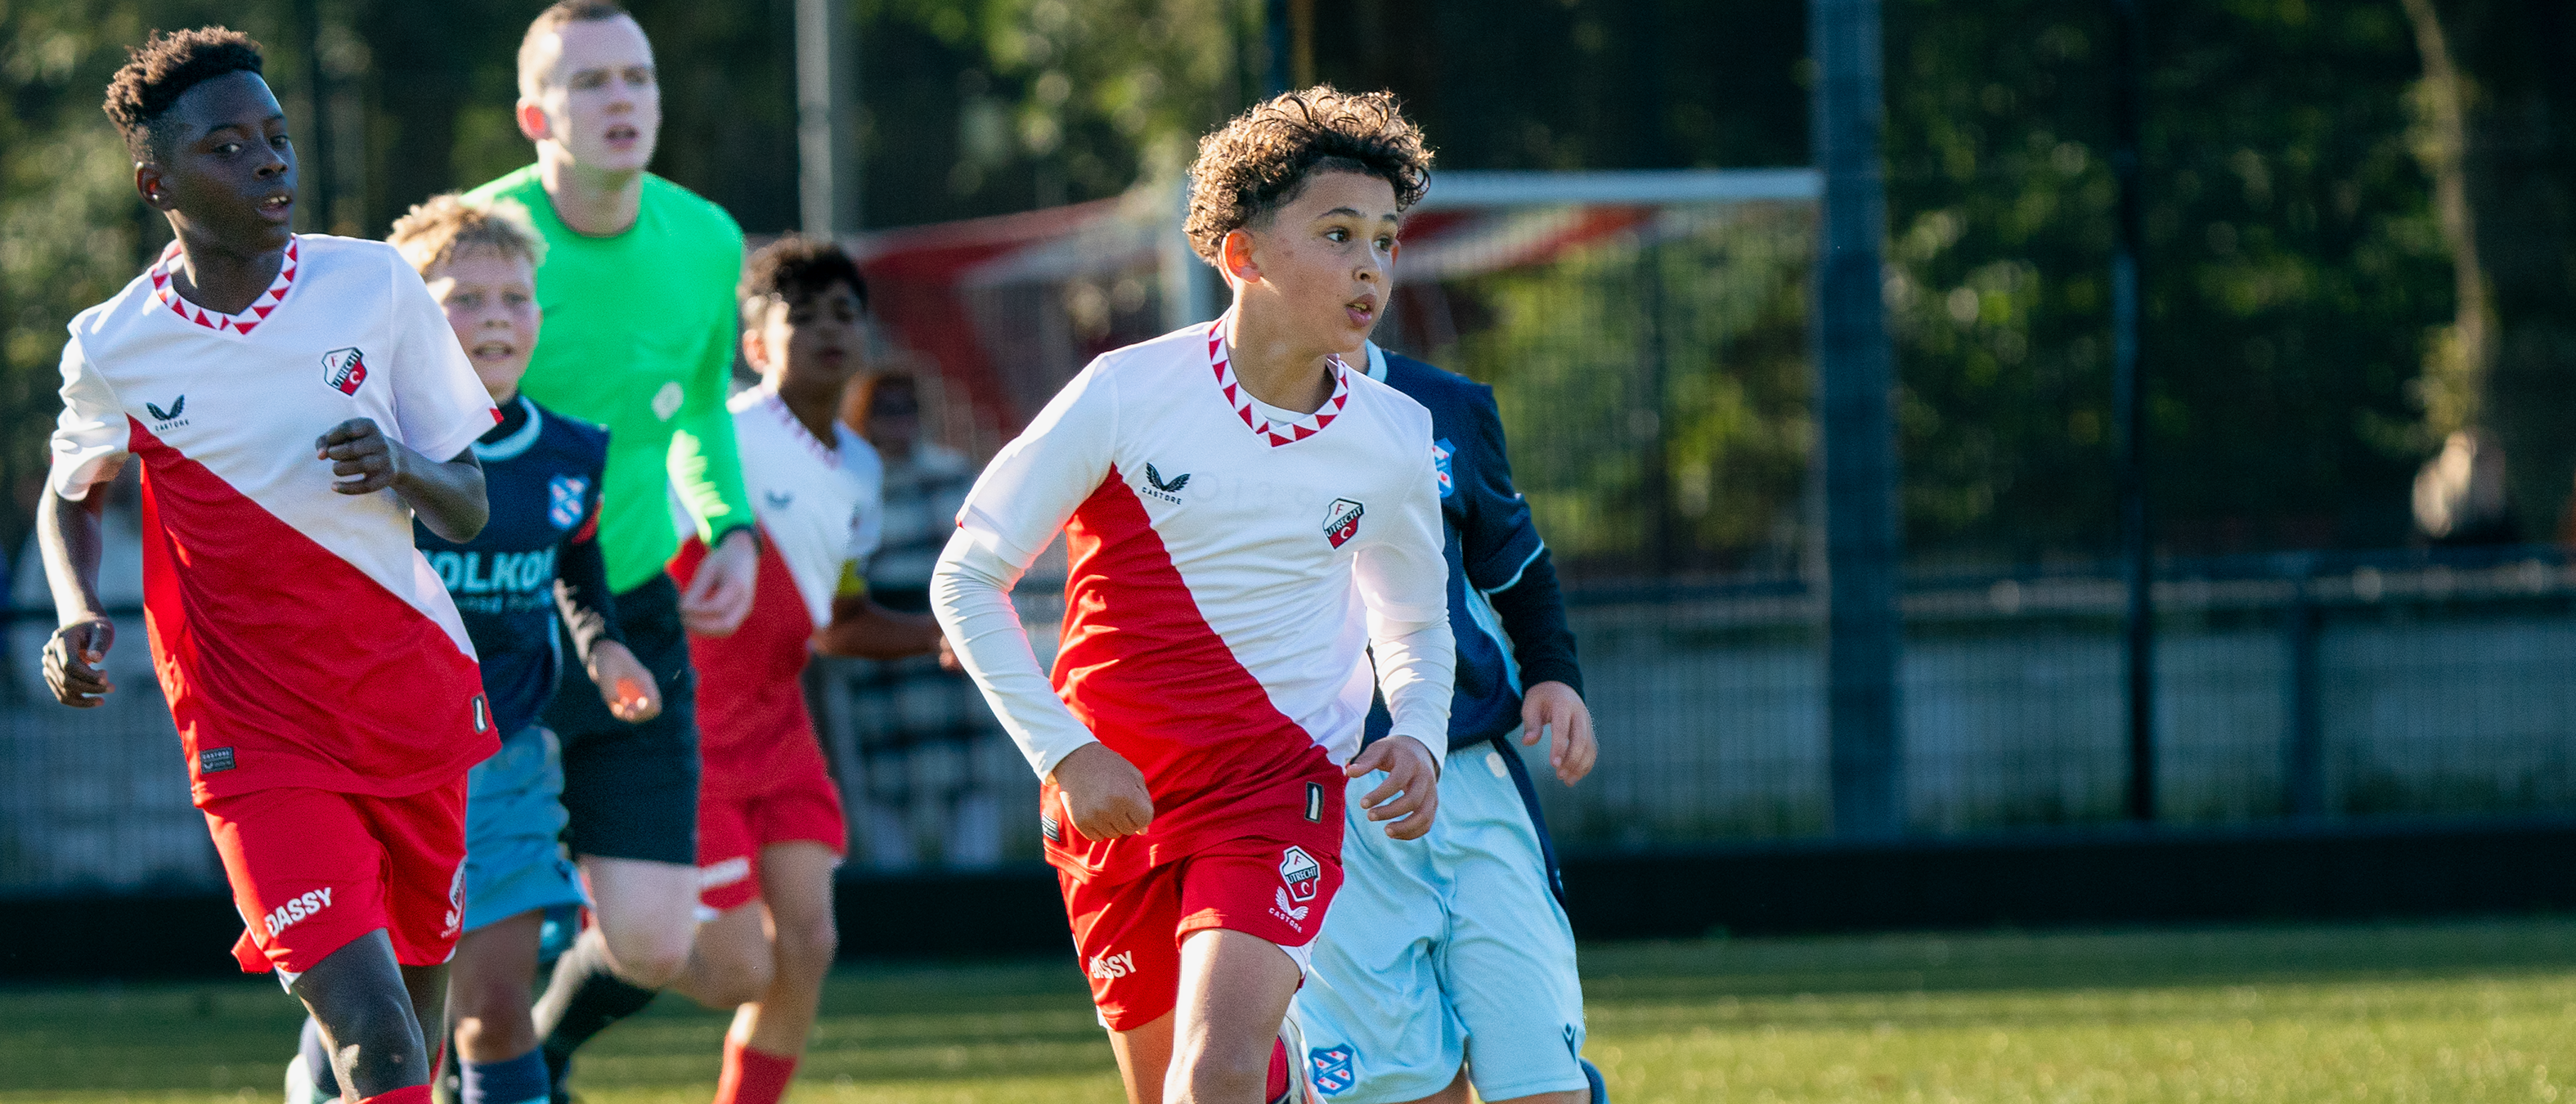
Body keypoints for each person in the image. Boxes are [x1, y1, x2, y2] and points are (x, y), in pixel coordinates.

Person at [931, 86, 1455, 1104]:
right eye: (1339, 234)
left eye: (1386, 241)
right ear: (1242, 254)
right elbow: (967, 576)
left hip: (1277, 789)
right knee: (1187, 1088)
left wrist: (1421, 733)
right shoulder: (1124, 393)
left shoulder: (1394, 437)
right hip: (1112, 799)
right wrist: (1066, 752)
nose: (1371, 266)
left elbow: (1416, 617)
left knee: (1210, 1073)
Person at [43, 28, 497, 1104]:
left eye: (276, 136)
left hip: (410, 705)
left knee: (414, 1040)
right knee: (378, 1042)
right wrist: (74, 607)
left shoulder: (374, 285)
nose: (268, 160)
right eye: (228, 146)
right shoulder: (114, 343)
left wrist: (398, 463)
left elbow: (470, 505)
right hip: (251, 734)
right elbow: (74, 492)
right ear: (157, 184)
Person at [284, 195, 668, 1104]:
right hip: (374, 766)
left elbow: (577, 562)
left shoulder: (573, 451)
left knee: (493, 1011)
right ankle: (319, 1076)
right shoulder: (362, 447)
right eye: (465, 298)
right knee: (386, 1015)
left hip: (508, 763)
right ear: (408, 316)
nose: (497, 317)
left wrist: (605, 646)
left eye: (516, 297)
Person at [460, 3, 762, 1091]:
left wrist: (728, 525)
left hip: (630, 606)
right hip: (482, 613)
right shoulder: (470, 245)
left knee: (653, 943)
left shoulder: (708, 238)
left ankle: (531, 1050)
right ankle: (386, 1052)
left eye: (636, 76)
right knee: (456, 938)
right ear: (535, 115)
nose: (621, 98)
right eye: (590, 82)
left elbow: (702, 407)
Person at [1289, 327, 1608, 1104]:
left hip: (1469, 774)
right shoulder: (1197, 416)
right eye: (1338, 250)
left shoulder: (1448, 406)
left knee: (1542, 1083)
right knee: (1398, 1091)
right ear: (1247, 267)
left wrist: (1554, 674)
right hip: (1319, 798)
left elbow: (1517, 563)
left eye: (1382, 257)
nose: (1365, 270)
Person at [663, 236, 945, 1104]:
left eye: (845, 313)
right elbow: (644, 559)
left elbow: (839, 625)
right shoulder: (717, 434)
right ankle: (601, 938)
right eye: (805, 315)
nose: (830, 329)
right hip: (691, 732)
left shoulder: (860, 468)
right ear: (755, 344)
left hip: (780, 728)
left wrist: (954, 635)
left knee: (810, 946)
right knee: (738, 971)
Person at [837, 371, 1006, 868]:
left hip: (954, 658)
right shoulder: (851, 485)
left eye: (906, 407)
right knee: (887, 795)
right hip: (882, 662)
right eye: (884, 409)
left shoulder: (954, 475)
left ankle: (977, 897)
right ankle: (900, 899)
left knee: (972, 787)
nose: (898, 420)